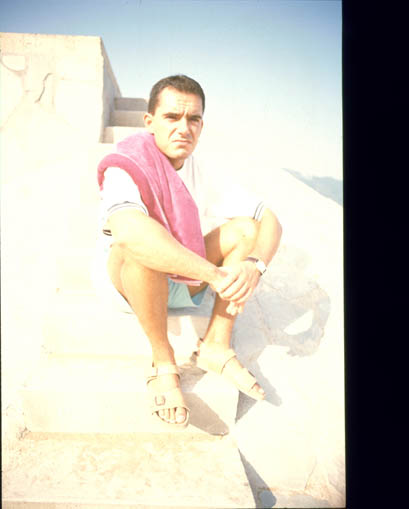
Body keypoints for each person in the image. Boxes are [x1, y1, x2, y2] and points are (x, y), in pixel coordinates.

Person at [96, 75, 282, 429]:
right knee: (139, 244)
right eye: (172, 117)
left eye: (193, 119)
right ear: (149, 121)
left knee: (247, 228)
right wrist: (216, 275)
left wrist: (254, 266)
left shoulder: (201, 169)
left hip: (184, 278)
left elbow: (269, 219)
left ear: (201, 125)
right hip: (131, 281)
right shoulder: (125, 165)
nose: (184, 128)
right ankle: (163, 361)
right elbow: (130, 233)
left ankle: (215, 345)